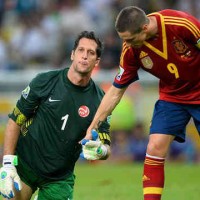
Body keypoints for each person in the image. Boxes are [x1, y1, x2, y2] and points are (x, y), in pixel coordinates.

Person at [85, 6, 200, 200]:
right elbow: (115, 91)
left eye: (129, 38)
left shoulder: (181, 24)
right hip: (172, 97)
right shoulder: (130, 50)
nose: (126, 43)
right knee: (154, 146)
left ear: (145, 28)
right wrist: (93, 125)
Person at [0, 31, 111, 200]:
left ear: (97, 61)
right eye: (81, 50)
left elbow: (105, 146)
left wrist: (101, 150)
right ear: (72, 54)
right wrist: (8, 164)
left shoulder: (101, 101)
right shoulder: (44, 81)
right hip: (25, 164)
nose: (85, 56)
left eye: (91, 53)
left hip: (59, 178)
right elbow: (15, 120)